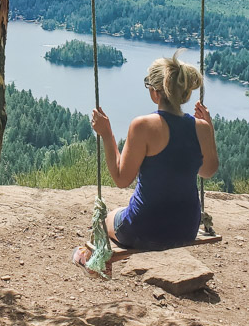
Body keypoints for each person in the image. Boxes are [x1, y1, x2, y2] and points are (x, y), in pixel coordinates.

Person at [90, 52, 218, 250]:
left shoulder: (143, 126)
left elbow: (121, 179)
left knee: (104, 221)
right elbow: (208, 171)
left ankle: (85, 258)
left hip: (143, 229)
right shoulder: (201, 128)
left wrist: (107, 134)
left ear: (155, 92)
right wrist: (209, 129)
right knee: (122, 213)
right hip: (186, 229)